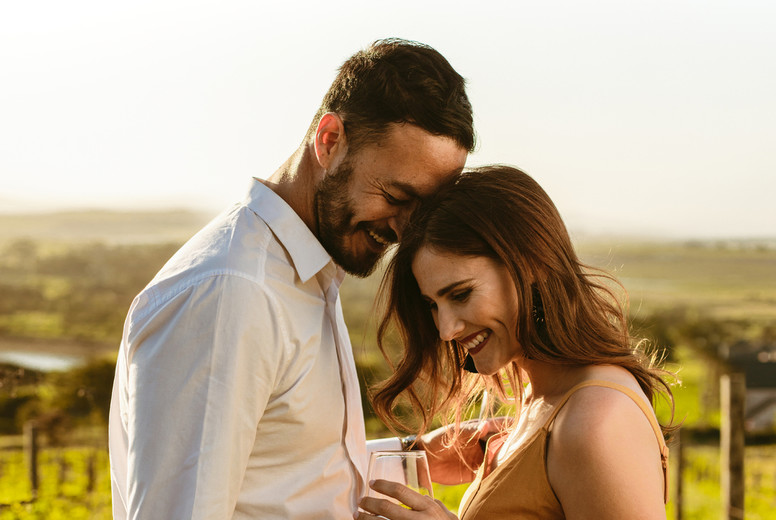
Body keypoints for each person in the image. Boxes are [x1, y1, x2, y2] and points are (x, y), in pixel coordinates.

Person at [108, 38, 478, 519]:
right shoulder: (232, 292)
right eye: (395, 196)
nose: (405, 230)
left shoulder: (305, 273)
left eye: (421, 210)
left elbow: (275, 470)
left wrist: (414, 453)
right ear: (330, 140)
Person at [357, 165, 676, 519]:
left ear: (532, 263)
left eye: (461, 294)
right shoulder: (542, 402)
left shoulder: (596, 419)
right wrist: (413, 454)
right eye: (432, 304)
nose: (446, 330)